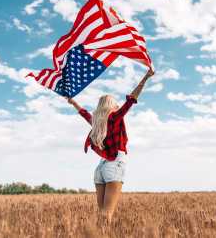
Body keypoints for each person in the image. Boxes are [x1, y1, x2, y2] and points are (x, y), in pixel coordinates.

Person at [65, 67, 154, 225]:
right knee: (107, 216)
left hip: (101, 168)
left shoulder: (97, 122)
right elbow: (131, 100)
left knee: (102, 216)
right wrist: (146, 77)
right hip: (115, 164)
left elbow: (84, 113)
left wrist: (73, 102)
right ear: (111, 105)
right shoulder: (114, 117)